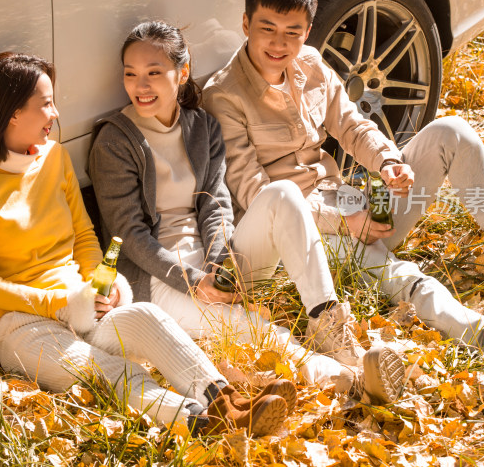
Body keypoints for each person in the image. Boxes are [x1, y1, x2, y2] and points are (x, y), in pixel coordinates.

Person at [202, 0, 484, 369]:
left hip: (350, 200)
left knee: (452, 131)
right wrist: (343, 220)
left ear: (309, 28)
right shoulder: (224, 96)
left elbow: (352, 126)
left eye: (293, 32)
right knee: (403, 275)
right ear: (246, 23)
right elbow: (251, 191)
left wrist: (389, 161)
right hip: (298, 238)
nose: (279, 44)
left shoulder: (312, 64)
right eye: (267, 28)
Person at [0, 52, 291, 437]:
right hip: (22, 324)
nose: (56, 113)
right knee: (112, 370)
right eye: (45, 104)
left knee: (148, 316)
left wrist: (101, 282)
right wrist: (57, 305)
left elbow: (85, 235)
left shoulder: (54, 158)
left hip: (85, 309)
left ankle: (228, 404)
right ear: (11, 113)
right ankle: (198, 421)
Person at [88, 21, 407, 405]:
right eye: (131, 74)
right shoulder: (114, 142)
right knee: (248, 324)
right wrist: (194, 280)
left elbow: (216, 203)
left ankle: (328, 323)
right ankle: (346, 380)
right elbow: (131, 236)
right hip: (160, 280)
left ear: (182, 73)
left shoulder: (201, 126)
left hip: (212, 263)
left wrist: (222, 264)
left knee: (284, 193)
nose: (141, 86)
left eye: (154, 73)